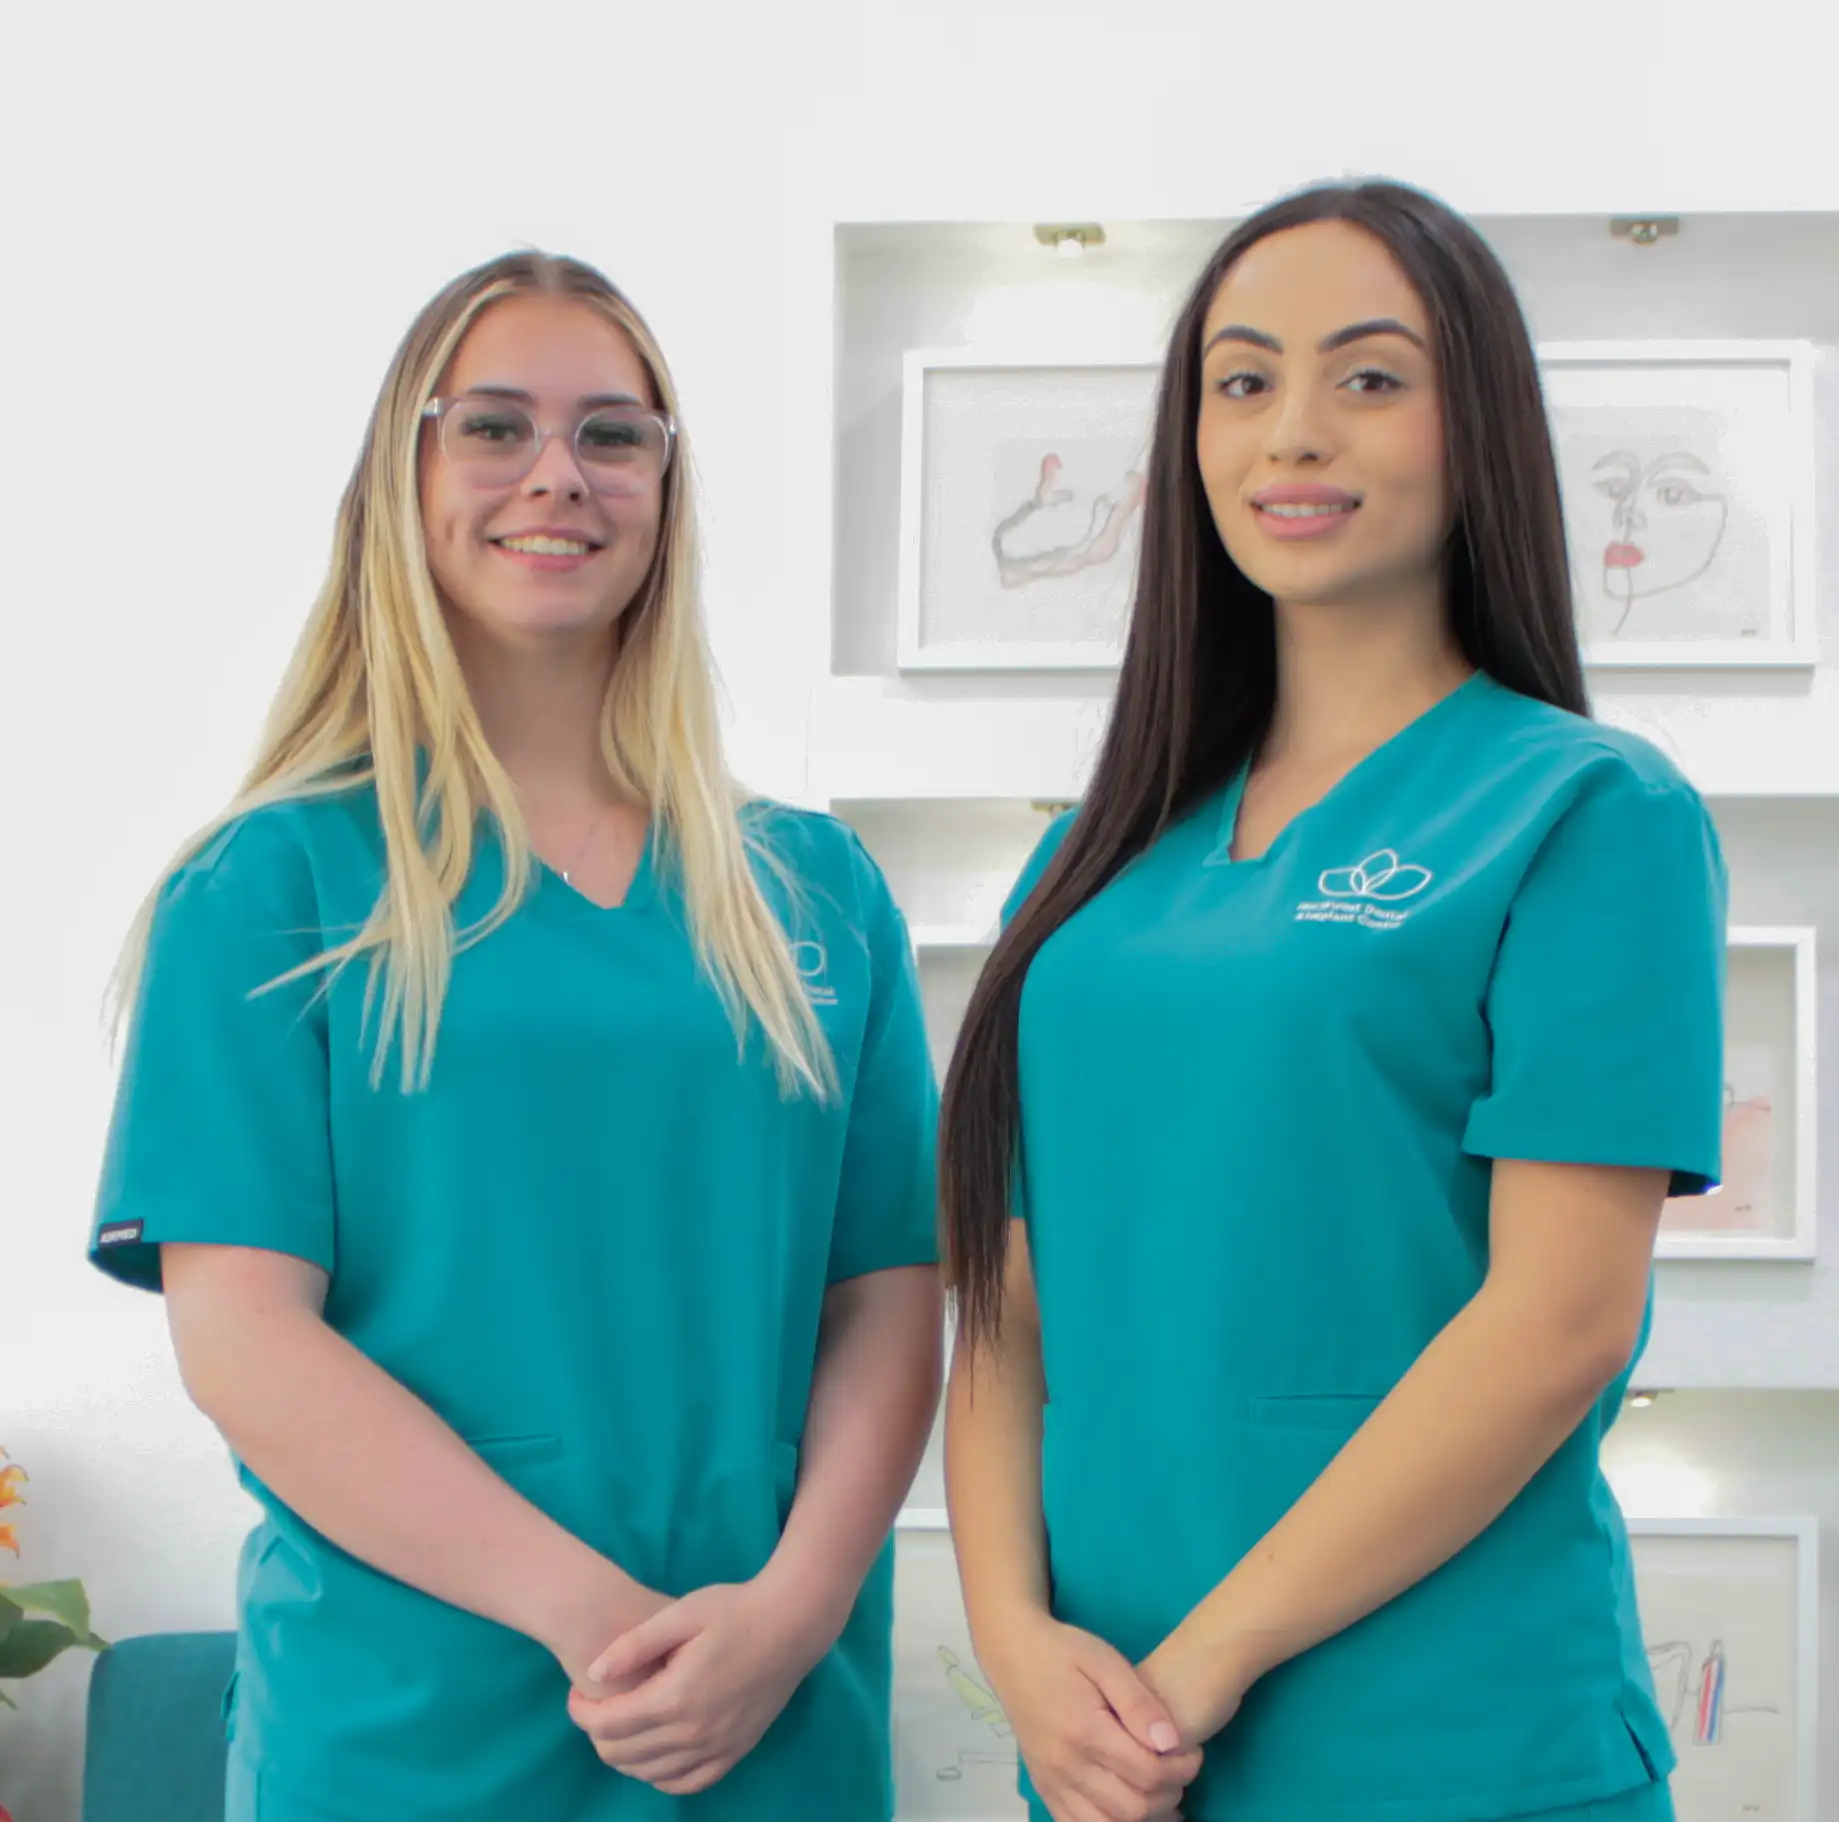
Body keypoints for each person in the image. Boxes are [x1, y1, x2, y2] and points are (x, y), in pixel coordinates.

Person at [88, 251, 942, 1821]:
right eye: (494, 425)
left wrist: (797, 1608)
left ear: (666, 491)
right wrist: (595, 1620)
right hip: (412, 1731)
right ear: (403, 478)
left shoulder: (814, 894)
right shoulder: (272, 888)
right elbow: (247, 1341)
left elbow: (884, 1295)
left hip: (766, 1717)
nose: (559, 473)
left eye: (615, 434)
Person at [938, 179, 1725, 1822]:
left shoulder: (1586, 813)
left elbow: (1557, 1322)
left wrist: (1201, 1665)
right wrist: (1011, 1640)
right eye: (1241, 380)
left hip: (1447, 1749)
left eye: (1368, 377)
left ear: (1475, 428)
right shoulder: (1082, 874)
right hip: (1106, 1758)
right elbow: (1009, 1310)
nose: (1292, 431)